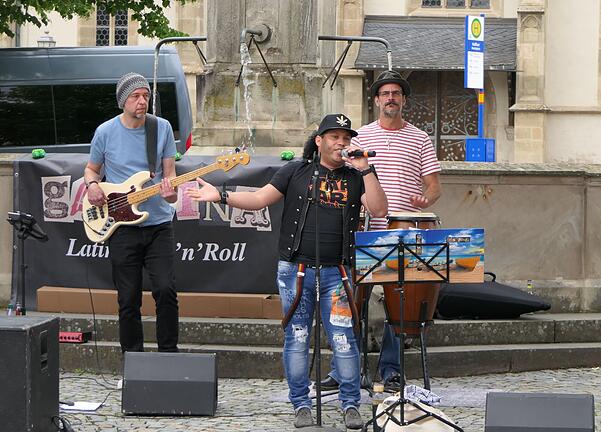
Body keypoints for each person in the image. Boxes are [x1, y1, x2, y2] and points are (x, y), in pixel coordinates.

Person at [186, 113, 387, 429]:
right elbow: (258, 198)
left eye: (346, 138)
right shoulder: (296, 171)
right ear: (319, 141)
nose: (342, 142)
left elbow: (379, 209)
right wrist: (221, 195)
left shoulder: (356, 176)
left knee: (344, 339)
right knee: (297, 336)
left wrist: (367, 169)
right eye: (335, 136)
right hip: (296, 269)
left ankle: (351, 404)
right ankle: (301, 404)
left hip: (338, 271)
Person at [321, 70, 442, 393]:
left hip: (403, 230)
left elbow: (434, 186)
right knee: (349, 302)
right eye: (385, 93)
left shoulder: (420, 138)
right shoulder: (360, 138)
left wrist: (425, 198)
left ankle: (390, 370)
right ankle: (344, 369)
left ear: (403, 100)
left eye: (396, 94)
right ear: (376, 100)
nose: (391, 98)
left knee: (397, 306)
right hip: (363, 229)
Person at [83, 72, 180, 353]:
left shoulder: (161, 128)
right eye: (136, 96)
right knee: (128, 298)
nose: (142, 101)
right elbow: (91, 169)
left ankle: (168, 355)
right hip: (121, 225)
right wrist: (92, 185)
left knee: (165, 291)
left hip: (158, 223)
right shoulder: (105, 132)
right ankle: (133, 360)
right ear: (122, 100)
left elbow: (170, 178)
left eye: (146, 96)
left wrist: (170, 192)